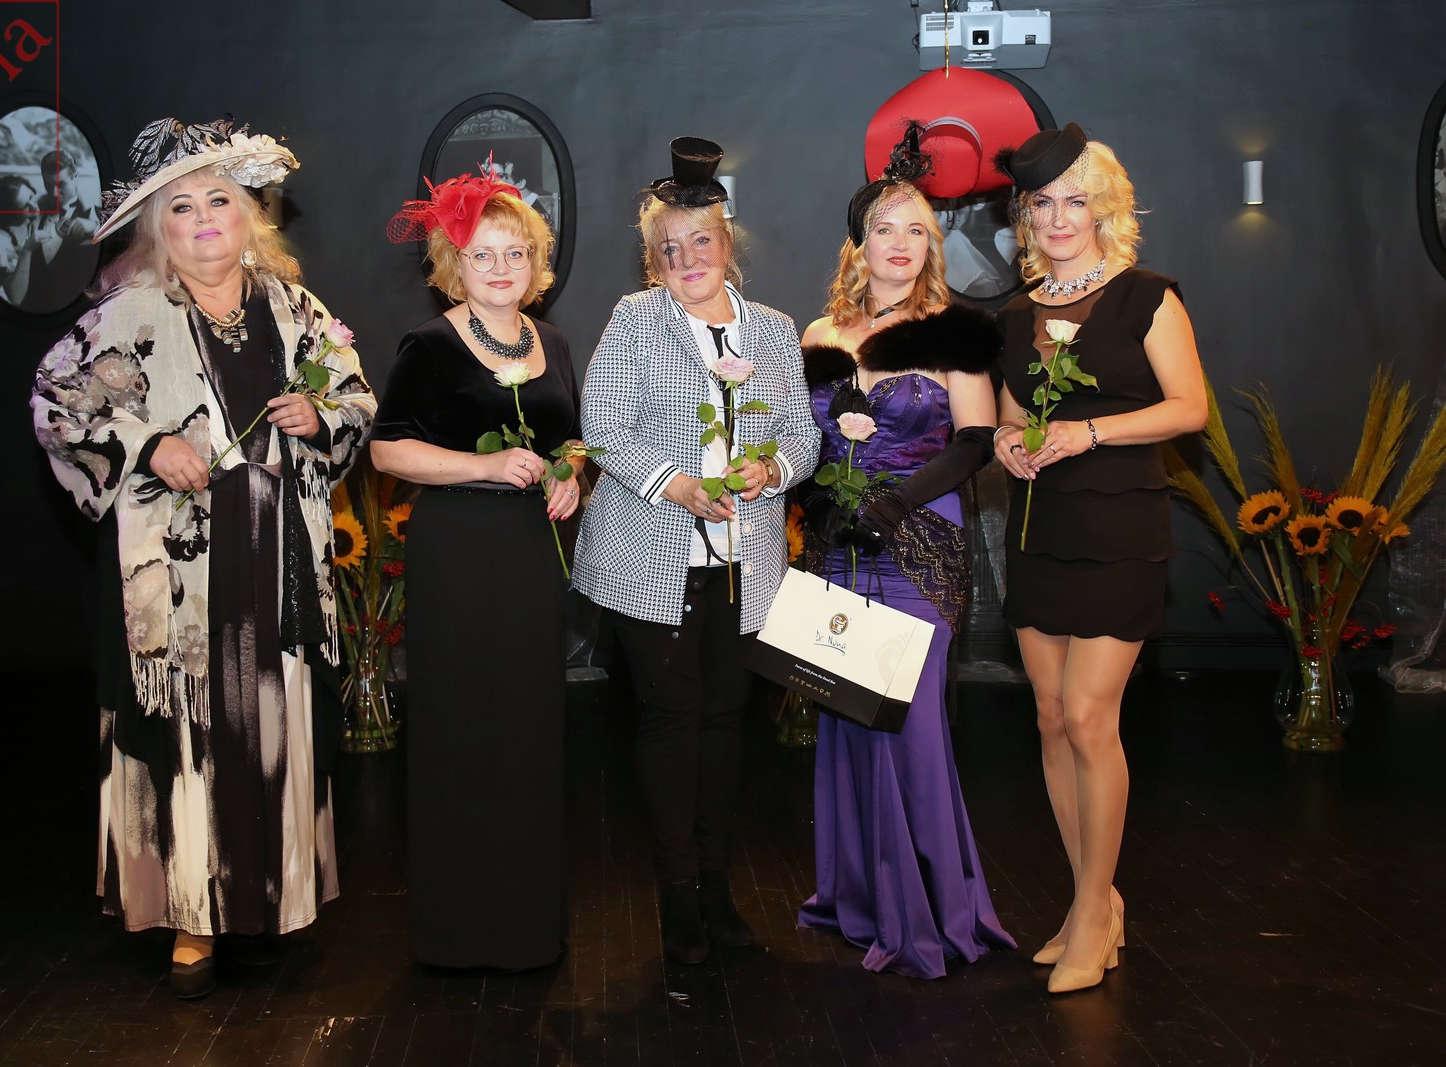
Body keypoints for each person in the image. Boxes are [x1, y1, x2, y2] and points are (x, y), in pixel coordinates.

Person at [30, 117, 375, 999]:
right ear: (160, 230)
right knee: (193, 735)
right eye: (180, 208)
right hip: (182, 583)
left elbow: (357, 398)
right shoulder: (127, 316)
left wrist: (321, 416)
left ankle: (271, 898)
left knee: (272, 726)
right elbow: (57, 406)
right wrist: (147, 446)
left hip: (280, 567)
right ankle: (191, 918)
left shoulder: (296, 309)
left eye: (218, 200)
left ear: (248, 214)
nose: (204, 219)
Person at [573, 137, 820, 965]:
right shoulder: (634, 320)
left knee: (724, 725)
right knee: (672, 724)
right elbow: (603, 427)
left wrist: (771, 469)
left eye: (700, 241)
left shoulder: (775, 331)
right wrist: (676, 484)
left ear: (727, 243)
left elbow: (805, 438)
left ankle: (718, 889)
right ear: (653, 261)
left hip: (746, 568)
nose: (687, 259)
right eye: (668, 249)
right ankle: (677, 897)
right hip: (652, 561)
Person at [794, 124, 1015, 978]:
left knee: (911, 720)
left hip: (920, 540)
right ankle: (858, 897)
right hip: (839, 547)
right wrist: (822, 503)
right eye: (884, 227)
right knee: (849, 717)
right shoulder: (823, 329)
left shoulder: (956, 330)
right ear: (859, 242)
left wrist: (892, 503)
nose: (899, 242)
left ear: (932, 245)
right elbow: (806, 444)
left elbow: (975, 441)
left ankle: (933, 907)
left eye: (916, 228)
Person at [992, 123, 1206, 993]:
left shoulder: (1146, 297)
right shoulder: (1015, 314)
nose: (1057, 218)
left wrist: (1090, 432)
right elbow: (1011, 414)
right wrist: (1008, 442)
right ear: (1025, 216)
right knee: (1049, 716)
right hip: (1039, 531)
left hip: (1120, 531)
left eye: (1074, 200)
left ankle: (1089, 912)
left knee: (1089, 718)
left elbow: (1189, 408)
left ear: (1103, 207)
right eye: (1042, 203)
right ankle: (1097, 899)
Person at [371, 170, 581, 970]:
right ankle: (455, 933)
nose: (500, 268)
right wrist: (482, 466)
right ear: (453, 264)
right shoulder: (428, 345)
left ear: (536, 262)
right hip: (456, 550)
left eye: (515, 253)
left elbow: (572, 439)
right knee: (459, 732)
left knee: (529, 731)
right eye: (482, 254)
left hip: (530, 555)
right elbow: (386, 449)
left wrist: (571, 473)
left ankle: (526, 927)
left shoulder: (553, 341)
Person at [21, 149, 101, 313]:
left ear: (75, 175)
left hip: (75, 313)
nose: (54, 193)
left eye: (61, 185)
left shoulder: (96, 215)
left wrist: (95, 228)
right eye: (48, 185)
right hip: (32, 309)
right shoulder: (33, 210)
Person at [0, 174, 39, 304]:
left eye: (31, 197)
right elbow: (15, 297)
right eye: (25, 206)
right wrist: (27, 251)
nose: (34, 206)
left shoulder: (27, 223)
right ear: (10, 213)